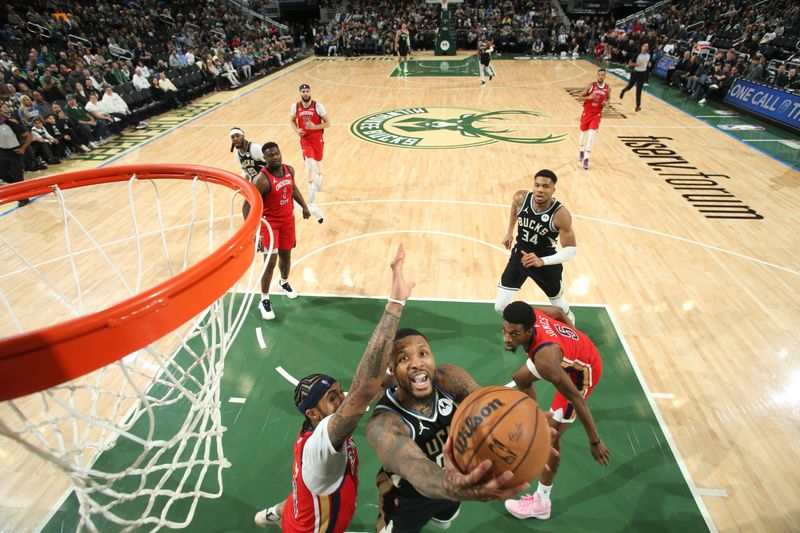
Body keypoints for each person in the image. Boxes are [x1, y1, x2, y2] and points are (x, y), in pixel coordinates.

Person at [254, 244, 415, 530]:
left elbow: (365, 396)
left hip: (301, 505)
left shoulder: (317, 431)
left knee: (301, 493)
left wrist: (390, 373)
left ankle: (275, 512)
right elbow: (363, 392)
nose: (343, 399)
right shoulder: (321, 445)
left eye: (340, 391)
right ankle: (280, 514)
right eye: (332, 397)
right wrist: (395, 303)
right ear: (314, 414)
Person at [366, 330, 532, 533]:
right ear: (391, 368)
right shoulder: (384, 422)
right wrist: (453, 487)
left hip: (454, 485)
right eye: (404, 358)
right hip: (410, 500)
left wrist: (524, 424)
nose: (417, 363)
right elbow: (414, 467)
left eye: (423, 354)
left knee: (444, 519)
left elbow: (485, 405)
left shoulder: (448, 378)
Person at [501, 301, 611, 520]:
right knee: (520, 377)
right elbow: (560, 314)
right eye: (505, 331)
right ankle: (536, 417)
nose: (507, 338)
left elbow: (578, 400)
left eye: (514, 334)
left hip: (582, 374)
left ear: (529, 330)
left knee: (549, 439)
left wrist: (595, 442)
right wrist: (574, 340)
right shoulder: (528, 313)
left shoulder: (546, 361)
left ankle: (542, 502)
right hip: (568, 352)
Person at [495, 169, 576, 324]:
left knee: (559, 305)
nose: (540, 189)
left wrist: (542, 261)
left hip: (545, 263)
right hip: (520, 256)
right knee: (500, 306)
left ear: (553, 190)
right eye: (537, 185)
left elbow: (571, 252)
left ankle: (570, 323)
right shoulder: (521, 198)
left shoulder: (560, 214)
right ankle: (529, 324)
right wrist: (509, 232)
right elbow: (514, 206)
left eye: (545, 186)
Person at [242, 142, 311, 321]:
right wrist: (252, 232)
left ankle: (284, 282)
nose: (275, 157)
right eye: (270, 156)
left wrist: (304, 206)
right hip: (269, 224)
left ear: (280, 153)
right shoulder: (261, 180)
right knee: (270, 261)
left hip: (288, 220)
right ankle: (264, 299)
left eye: (276, 153)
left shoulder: (289, 170)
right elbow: (247, 205)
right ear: (264, 159)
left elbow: (293, 189)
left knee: (286, 255)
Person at [290, 84, 330, 203]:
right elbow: (292, 121)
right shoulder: (295, 106)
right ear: (300, 93)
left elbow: (328, 123)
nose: (305, 93)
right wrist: (297, 130)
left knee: (318, 162)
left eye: (307, 91)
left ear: (310, 92)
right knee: (309, 164)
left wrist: (315, 126)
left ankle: (319, 175)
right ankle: (310, 185)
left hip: (317, 139)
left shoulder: (318, 106)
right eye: (303, 91)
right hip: (305, 140)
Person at [0, 103, 33, 206]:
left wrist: (23, 148)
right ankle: (20, 188)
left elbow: (29, 136)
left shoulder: (11, 124)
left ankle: (23, 198)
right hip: (2, 152)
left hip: (15, 152)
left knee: (17, 175)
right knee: (3, 174)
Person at [578, 68, 610, 171]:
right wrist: (589, 98)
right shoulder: (590, 85)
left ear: (605, 76)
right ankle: (581, 151)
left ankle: (586, 158)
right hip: (587, 113)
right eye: (599, 75)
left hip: (597, 115)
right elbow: (579, 97)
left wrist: (607, 103)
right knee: (583, 135)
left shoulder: (607, 88)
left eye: (602, 75)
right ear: (597, 75)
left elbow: (608, 99)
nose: (601, 76)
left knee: (592, 136)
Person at [619, 42, 651, 112]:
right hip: (635, 73)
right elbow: (629, 64)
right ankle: (623, 91)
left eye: (647, 46)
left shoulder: (648, 55)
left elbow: (647, 61)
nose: (646, 47)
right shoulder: (637, 55)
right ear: (642, 47)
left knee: (639, 90)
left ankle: (638, 106)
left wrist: (649, 63)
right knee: (630, 86)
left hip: (642, 74)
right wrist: (637, 64)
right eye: (645, 46)